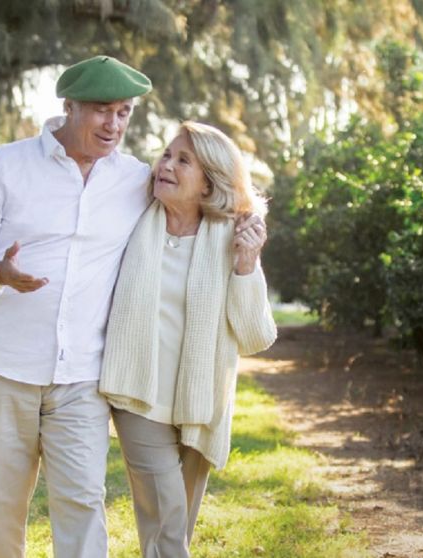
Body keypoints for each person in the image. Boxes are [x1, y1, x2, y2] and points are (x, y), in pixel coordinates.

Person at [0, 55, 155, 558]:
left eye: (124, 112)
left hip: (82, 375)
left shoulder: (136, 180)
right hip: (1, 365)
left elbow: (195, 208)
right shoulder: (4, 165)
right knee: (0, 506)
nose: (114, 124)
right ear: (69, 107)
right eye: (102, 110)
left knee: (83, 503)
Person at [99, 121, 278, 557]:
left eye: (184, 161)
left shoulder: (231, 238)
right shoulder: (132, 218)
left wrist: (246, 264)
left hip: (200, 402)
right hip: (138, 393)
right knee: (168, 515)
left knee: (173, 527)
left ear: (208, 185)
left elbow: (256, 336)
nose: (166, 166)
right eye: (166, 155)